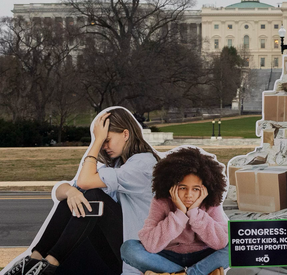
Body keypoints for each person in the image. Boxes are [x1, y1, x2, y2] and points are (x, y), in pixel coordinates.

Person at [6, 107, 159, 275]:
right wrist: (71, 192)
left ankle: (48, 267)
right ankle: (34, 261)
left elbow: (85, 183)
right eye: (102, 142)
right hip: (118, 250)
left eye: (106, 140)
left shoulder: (143, 164)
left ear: (125, 134)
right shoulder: (118, 166)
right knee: (72, 199)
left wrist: (96, 141)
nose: (104, 147)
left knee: (92, 197)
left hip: (137, 255)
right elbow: (65, 191)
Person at [121, 146, 228, 275]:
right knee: (129, 248)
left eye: (195, 189)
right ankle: (196, 273)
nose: (189, 194)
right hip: (168, 256)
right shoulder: (161, 201)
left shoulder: (210, 202)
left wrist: (194, 212)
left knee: (236, 245)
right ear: (171, 186)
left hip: (203, 256)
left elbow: (221, 242)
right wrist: (180, 214)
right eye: (183, 188)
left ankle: (187, 274)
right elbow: (150, 245)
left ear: (205, 188)